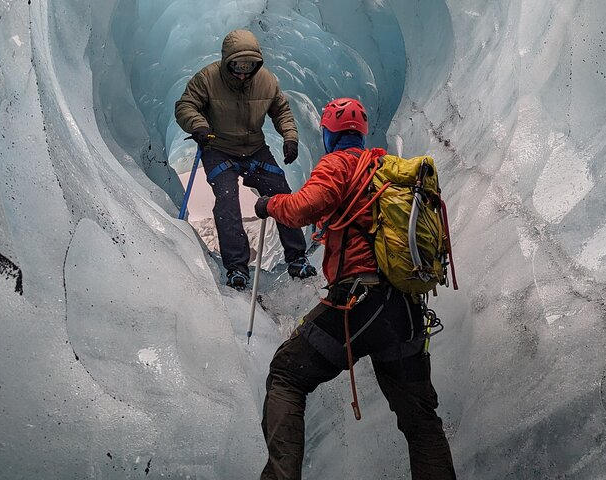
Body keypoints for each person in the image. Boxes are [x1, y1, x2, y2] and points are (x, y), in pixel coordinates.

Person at [253, 98, 457, 479]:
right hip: (407, 312)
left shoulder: (338, 163)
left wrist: (270, 204)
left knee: (286, 374)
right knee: (420, 420)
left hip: (360, 303)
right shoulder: (384, 168)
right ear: (361, 134)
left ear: (328, 134)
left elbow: (303, 207)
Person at [175, 29, 316, 290]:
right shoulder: (207, 78)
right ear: (227, 60)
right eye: (237, 66)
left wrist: (290, 138)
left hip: (254, 149)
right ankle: (237, 268)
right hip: (217, 146)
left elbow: (281, 110)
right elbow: (186, 105)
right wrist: (198, 126)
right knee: (227, 200)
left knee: (282, 195)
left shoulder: (266, 81)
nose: (242, 73)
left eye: (249, 67)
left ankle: (297, 258)